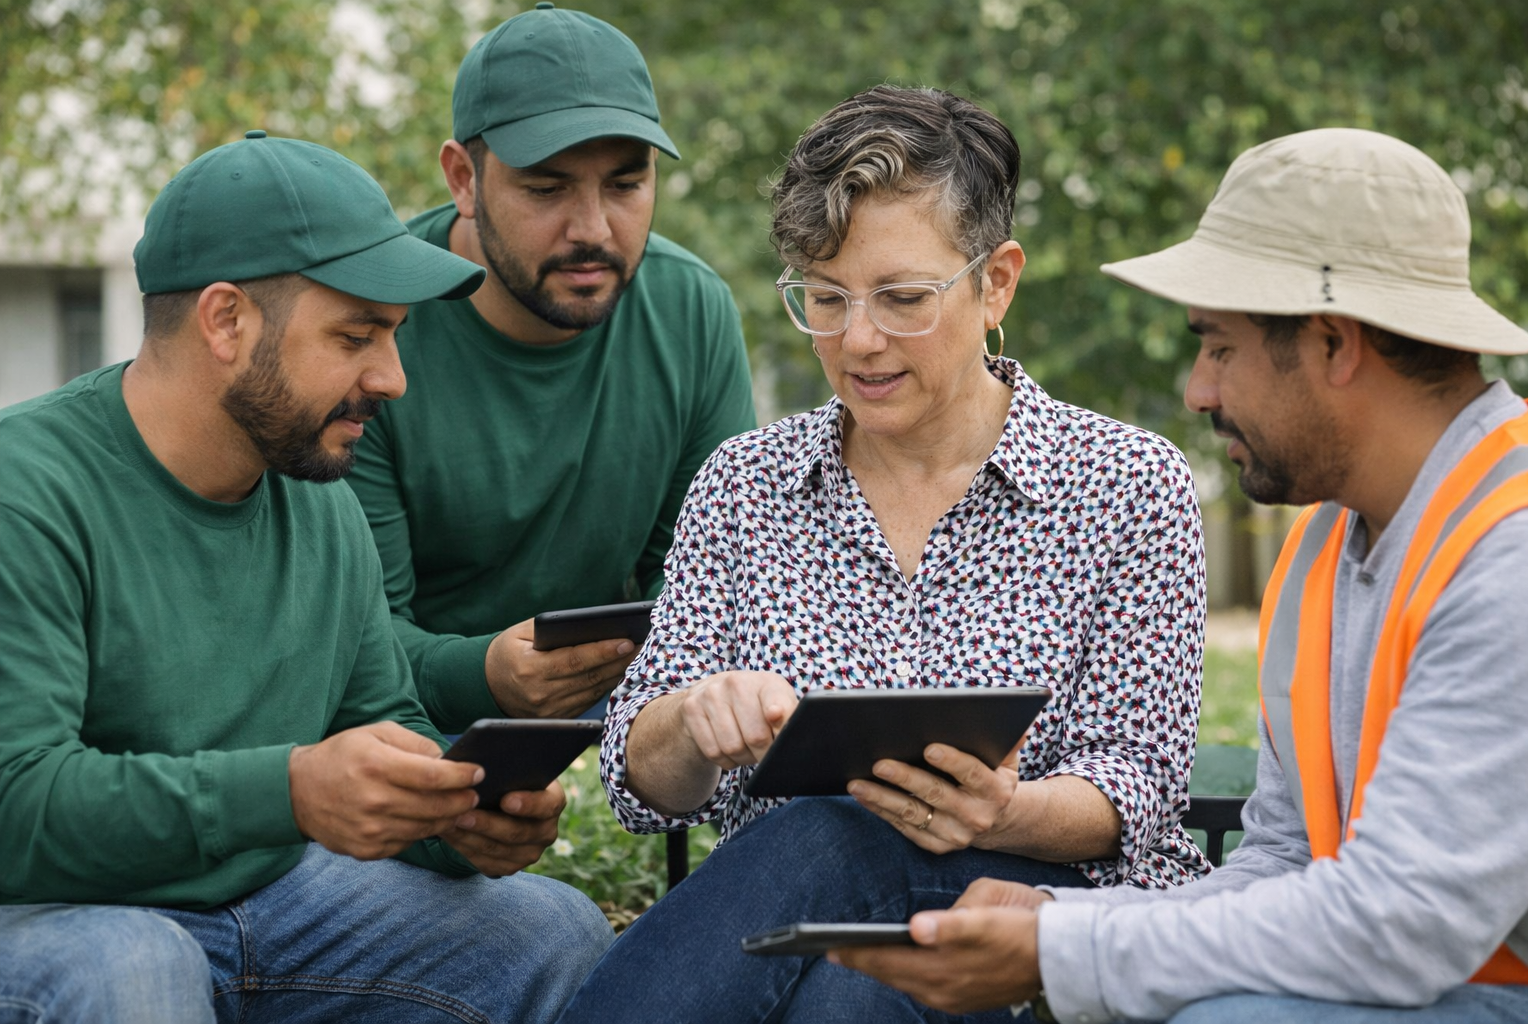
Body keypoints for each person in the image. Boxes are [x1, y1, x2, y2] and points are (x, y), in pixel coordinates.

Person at [834, 128, 1528, 1023]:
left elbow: (1397, 928)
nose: (1199, 391)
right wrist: (1062, 916)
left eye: (1219, 347)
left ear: (1333, 344)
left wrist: (1061, 948)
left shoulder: (1514, 557)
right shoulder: (1330, 539)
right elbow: (1283, 865)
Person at [553, 85, 1209, 1023]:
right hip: (798, 945)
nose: (858, 340)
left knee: (829, 839)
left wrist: (1002, 811)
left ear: (998, 283)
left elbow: (1137, 785)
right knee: (847, 983)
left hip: (1032, 921)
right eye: (824, 299)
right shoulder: (744, 488)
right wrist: (695, 720)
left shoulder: (1127, 484)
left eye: (902, 299)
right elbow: (637, 782)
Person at [0, 132, 613, 1024]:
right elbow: (17, 803)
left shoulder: (319, 501)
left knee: (549, 932)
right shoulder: (28, 488)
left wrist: (453, 815)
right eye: (357, 335)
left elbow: (383, 721)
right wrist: (289, 791)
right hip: (56, 914)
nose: (392, 379)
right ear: (225, 321)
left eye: (394, 339)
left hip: (272, 903)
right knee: (133, 970)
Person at [345, 2, 757, 731]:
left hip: (627, 699)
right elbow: (351, 642)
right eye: (546, 188)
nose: (594, 230)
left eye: (626, 185)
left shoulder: (693, 310)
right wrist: (483, 675)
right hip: (409, 714)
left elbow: (711, 593)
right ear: (463, 179)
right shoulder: (368, 328)